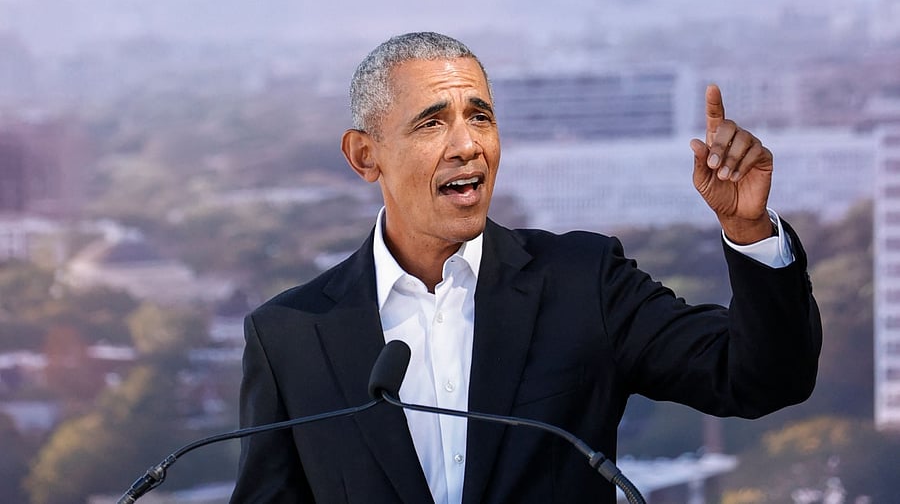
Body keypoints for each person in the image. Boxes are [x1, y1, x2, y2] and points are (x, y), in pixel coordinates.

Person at [230, 32, 821, 504]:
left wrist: (749, 230)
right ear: (365, 155)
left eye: (480, 117)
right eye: (433, 122)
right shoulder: (290, 336)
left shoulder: (583, 281)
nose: (468, 145)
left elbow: (761, 377)